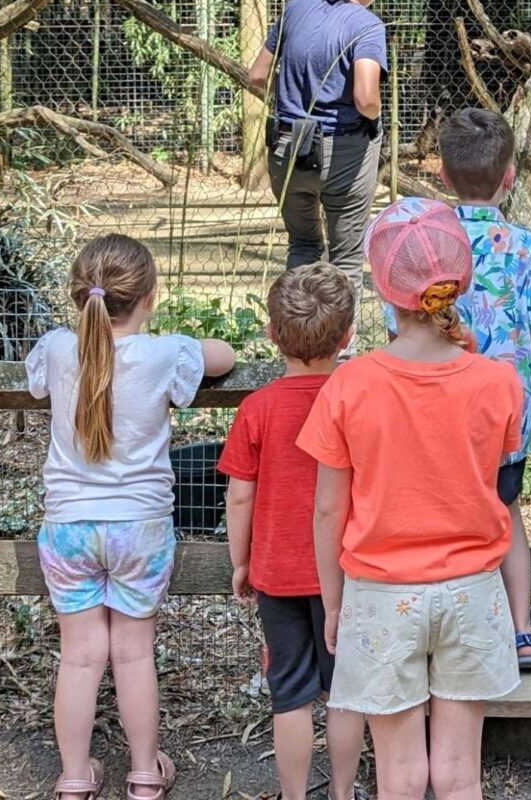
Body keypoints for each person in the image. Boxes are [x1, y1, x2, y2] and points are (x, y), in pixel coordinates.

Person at [301, 198, 524, 800]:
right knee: (459, 775)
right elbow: (491, 457)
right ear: (460, 280)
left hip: (380, 592)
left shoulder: (350, 384)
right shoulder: (497, 379)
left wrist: (333, 601)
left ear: (382, 287)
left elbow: (328, 509)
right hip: (472, 590)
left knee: (398, 776)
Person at [29, 236, 239, 800]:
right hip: (139, 528)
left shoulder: (55, 347)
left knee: (79, 658)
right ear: (149, 297)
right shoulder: (166, 351)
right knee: (133, 652)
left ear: (80, 297)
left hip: (69, 527)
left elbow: (36, 380)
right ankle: (145, 772)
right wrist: (181, 337)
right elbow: (223, 355)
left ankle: (75, 777)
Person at [219, 264, 369, 800]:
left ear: (272, 334)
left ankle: (294, 795)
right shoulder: (356, 398)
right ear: (348, 335)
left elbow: (240, 494)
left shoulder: (257, 408)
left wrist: (241, 560)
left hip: (277, 571)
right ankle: (344, 792)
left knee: (290, 694)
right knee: (346, 691)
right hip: (348, 572)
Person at [430, 107, 531, 672]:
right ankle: (521, 630)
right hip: (506, 417)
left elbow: (396, 324)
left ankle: (455, 636)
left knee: (447, 518)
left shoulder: (427, 241)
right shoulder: (526, 246)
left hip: (437, 415)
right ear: (510, 175)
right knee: (506, 514)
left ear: (442, 173)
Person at [248, 0, 392, 269]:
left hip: (287, 147)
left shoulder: (296, 8)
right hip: (340, 152)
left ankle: (296, 321)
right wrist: (376, 116)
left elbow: (257, 76)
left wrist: (289, 99)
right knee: (346, 260)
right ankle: (344, 323)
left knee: (302, 245)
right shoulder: (367, 25)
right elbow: (366, 98)